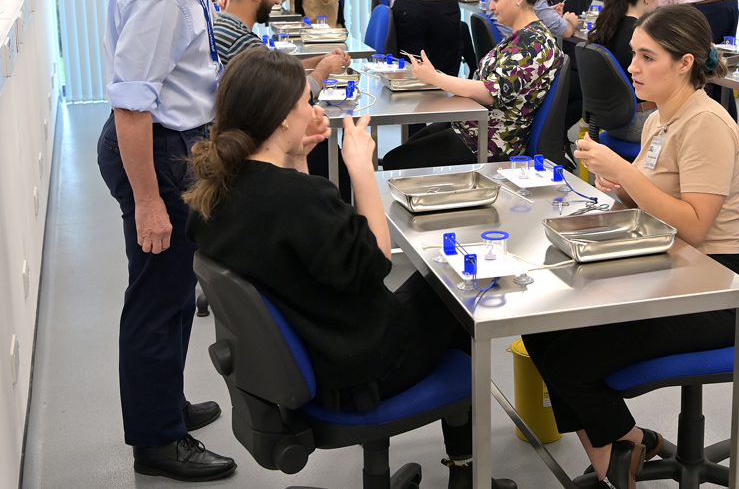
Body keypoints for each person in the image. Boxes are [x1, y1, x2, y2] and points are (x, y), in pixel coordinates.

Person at [184, 48, 516, 489]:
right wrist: (361, 168)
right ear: (282, 117)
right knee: (457, 293)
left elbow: (298, 243)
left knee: (435, 292)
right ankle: (467, 469)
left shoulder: (217, 193)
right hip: (357, 368)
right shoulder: (298, 202)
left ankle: (464, 466)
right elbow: (376, 261)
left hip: (312, 349)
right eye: (306, 101)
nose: (314, 108)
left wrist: (299, 159)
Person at [95, 0, 265, 482]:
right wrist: (147, 201)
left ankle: (163, 404)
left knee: (170, 290)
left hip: (173, 141)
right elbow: (132, 107)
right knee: (158, 297)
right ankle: (157, 442)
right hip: (155, 150)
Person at [522, 4, 739, 489]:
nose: (632, 68)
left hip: (711, 291)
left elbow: (696, 227)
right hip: (667, 270)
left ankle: (622, 454)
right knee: (542, 332)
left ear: (685, 63)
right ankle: (621, 450)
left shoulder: (706, 123)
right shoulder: (659, 120)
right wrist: (615, 189)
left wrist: (624, 173)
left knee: (568, 361)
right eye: (633, 56)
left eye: (647, 57)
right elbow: (650, 201)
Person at [381, 0, 563, 168]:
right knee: (405, 149)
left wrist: (435, 78)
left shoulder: (533, 45)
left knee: (395, 161)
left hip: (491, 141)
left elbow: (489, 92)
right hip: (475, 126)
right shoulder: (524, 36)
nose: (491, 7)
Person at [215, 0, 350, 79]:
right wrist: (323, 70)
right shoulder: (245, 45)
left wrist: (321, 60)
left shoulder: (222, 26)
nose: (277, 1)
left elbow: (275, 68)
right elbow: (290, 93)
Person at [586, 0, 663, 142]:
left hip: (611, 122)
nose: (660, 2)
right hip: (639, 123)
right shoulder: (641, 37)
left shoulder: (607, 28)